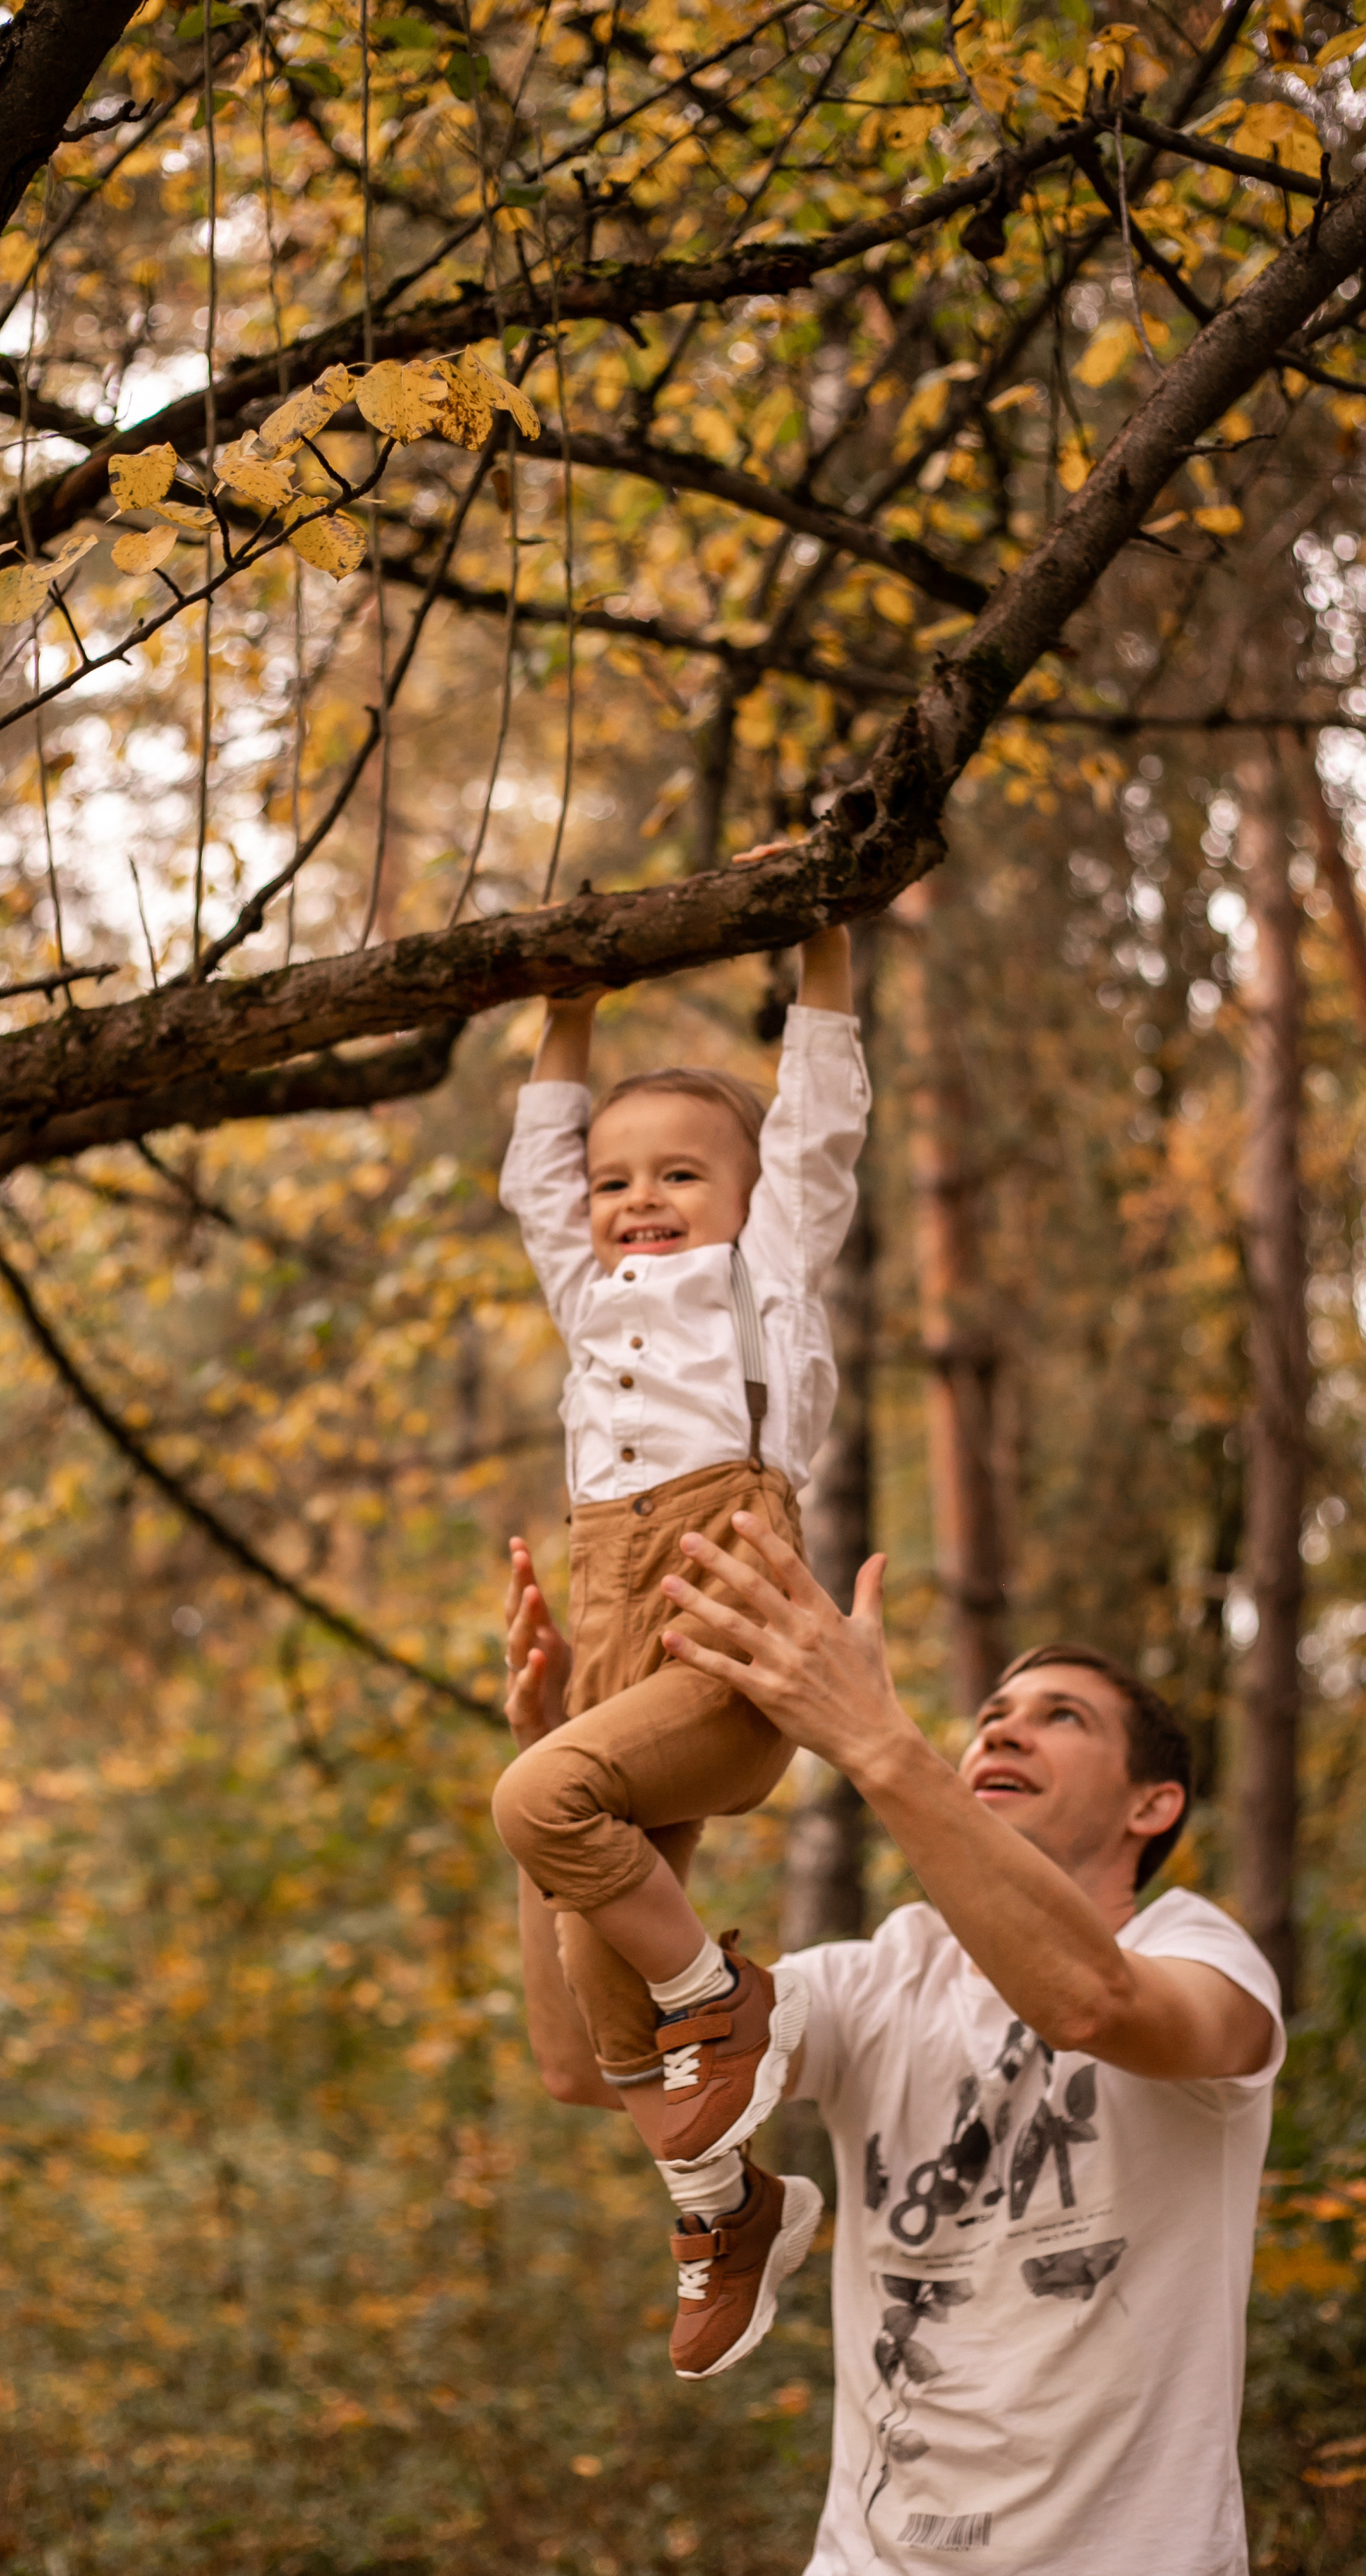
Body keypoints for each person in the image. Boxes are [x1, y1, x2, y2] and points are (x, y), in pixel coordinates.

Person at [504, 1510, 1284, 2576]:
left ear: (1151, 1806)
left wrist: (876, 1739)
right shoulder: (888, 1974)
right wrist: (562, 1806)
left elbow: (1092, 2005)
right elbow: (583, 2064)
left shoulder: (1205, 1957)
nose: (1007, 1729)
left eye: (1060, 1717)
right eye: (993, 1718)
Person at [494, 927, 870, 2379]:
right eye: (615, 1179)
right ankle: (730, 2214)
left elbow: (823, 1120)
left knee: (535, 1800)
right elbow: (538, 1174)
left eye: (677, 1174)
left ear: (746, 1199)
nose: (636, 1199)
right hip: (611, 1628)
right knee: (604, 2024)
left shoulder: (763, 1277)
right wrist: (566, 1015)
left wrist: (822, 958)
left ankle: (724, 1999)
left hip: (724, 1620)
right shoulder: (585, 1302)